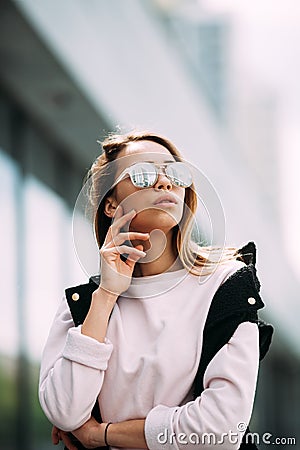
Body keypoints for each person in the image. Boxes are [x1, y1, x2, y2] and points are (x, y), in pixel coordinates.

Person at [39, 130, 265, 450]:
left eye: (174, 172)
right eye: (143, 173)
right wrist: (106, 295)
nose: (164, 182)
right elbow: (65, 411)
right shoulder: (82, 305)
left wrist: (98, 434)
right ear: (111, 204)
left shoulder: (226, 284)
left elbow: (221, 429)